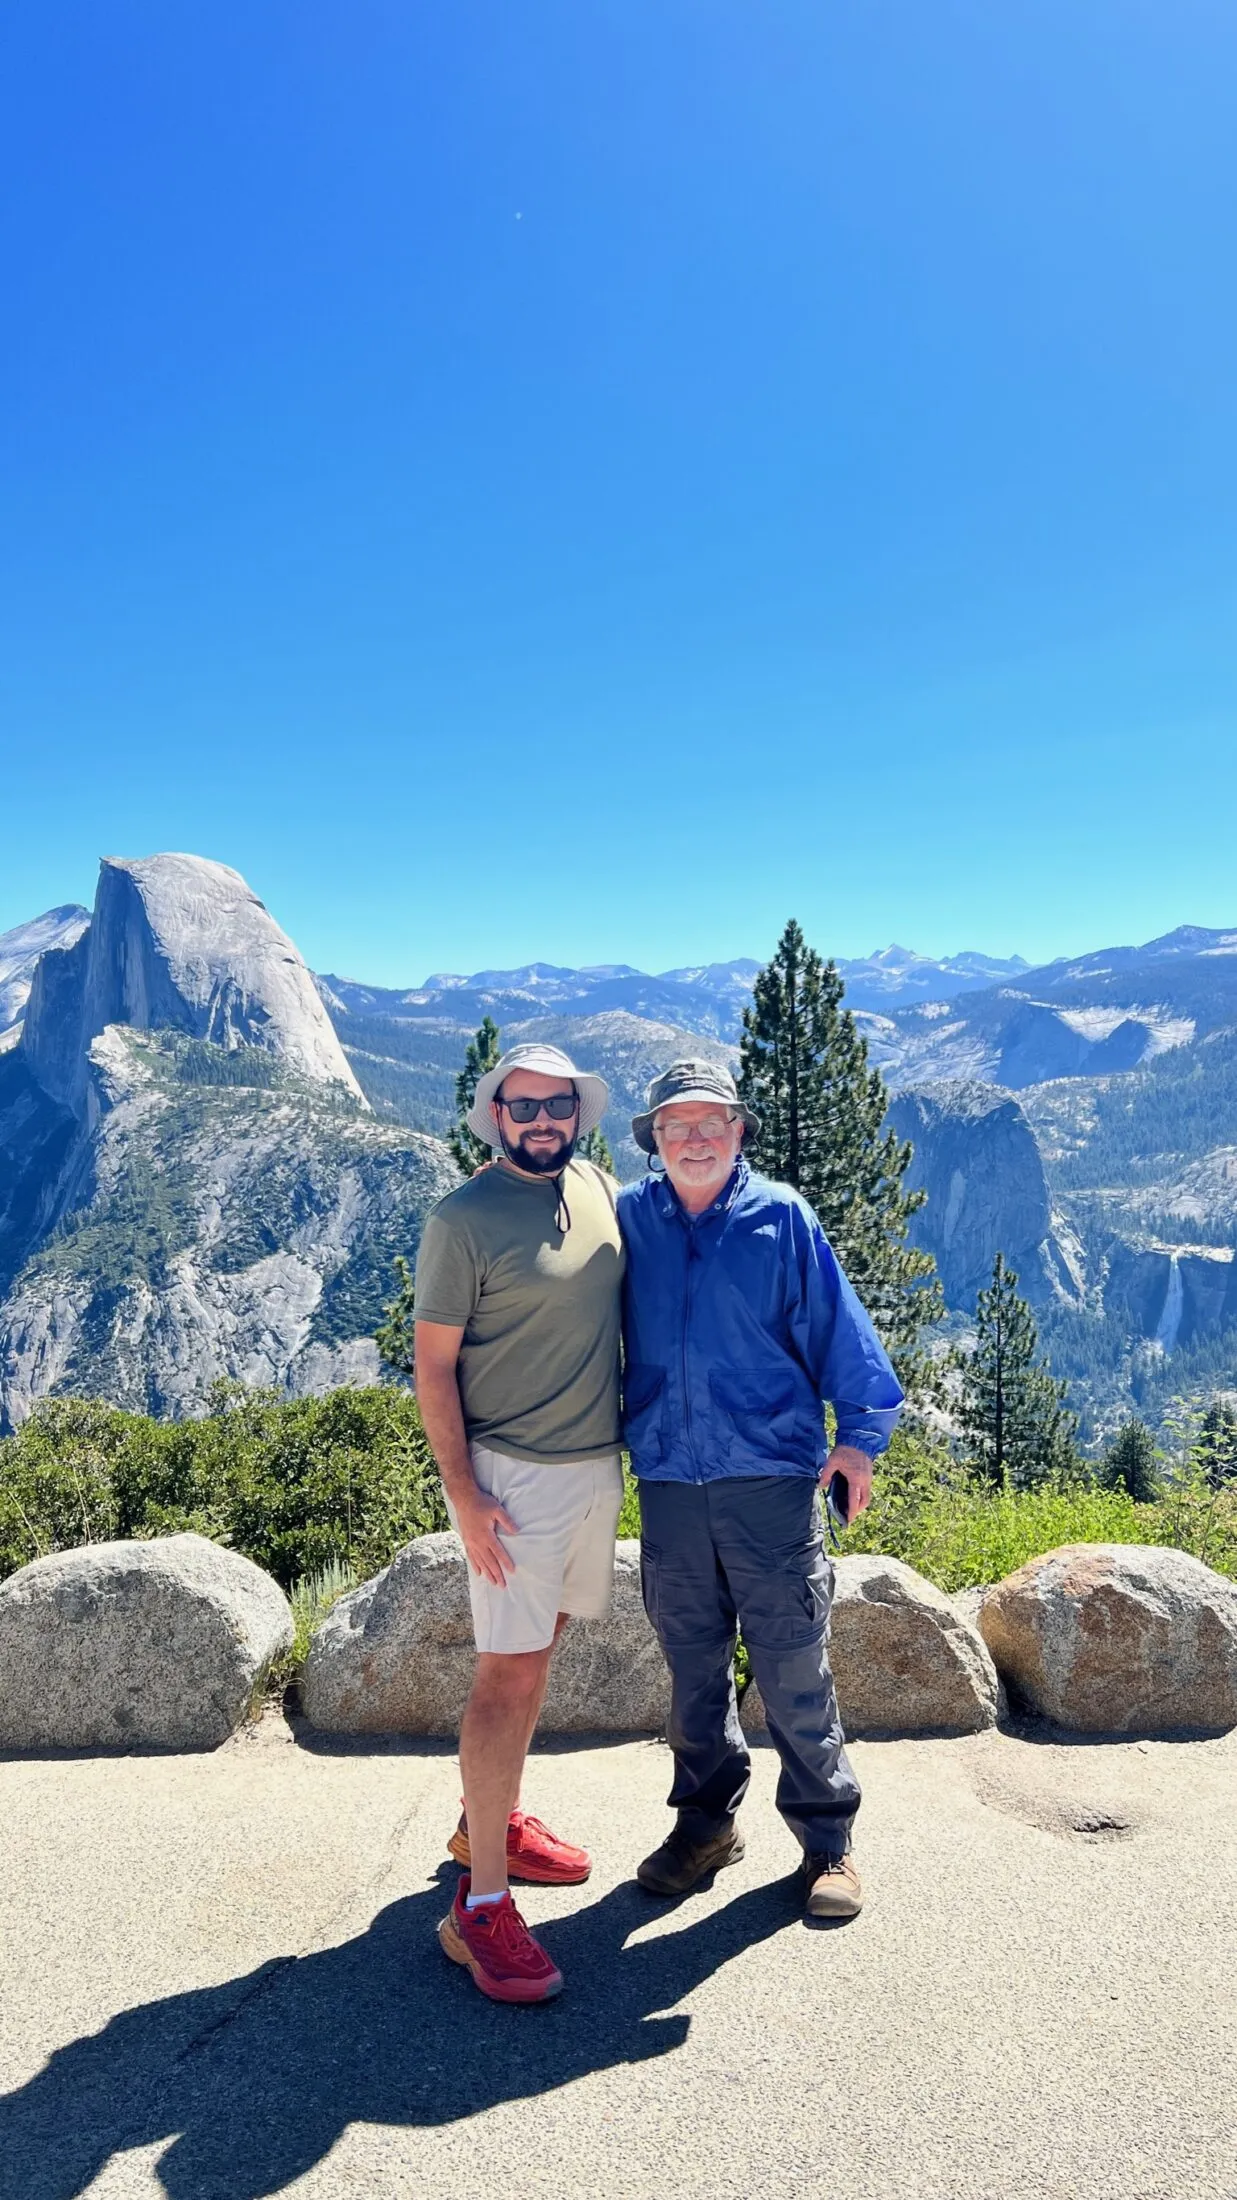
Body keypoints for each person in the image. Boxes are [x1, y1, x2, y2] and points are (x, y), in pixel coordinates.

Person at [618, 1059, 904, 1921]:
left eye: (711, 1122)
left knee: (791, 1668)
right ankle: (705, 1828)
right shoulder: (628, 1219)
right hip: (669, 1481)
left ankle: (827, 1843)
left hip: (769, 1479)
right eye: (676, 1125)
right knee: (692, 1673)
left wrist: (858, 1438)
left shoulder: (781, 1216)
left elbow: (838, 1329)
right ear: (654, 1139)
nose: (694, 1138)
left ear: (738, 1131)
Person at [414, 1043, 624, 2002]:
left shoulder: (596, 1188)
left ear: (578, 1114)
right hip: (511, 1481)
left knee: (539, 1651)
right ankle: (481, 1907)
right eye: (523, 1107)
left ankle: (485, 1824)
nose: (542, 1122)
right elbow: (432, 1368)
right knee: (506, 1675)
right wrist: (463, 1495)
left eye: (557, 1106)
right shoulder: (460, 1220)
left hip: (592, 1468)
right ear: (495, 1115)